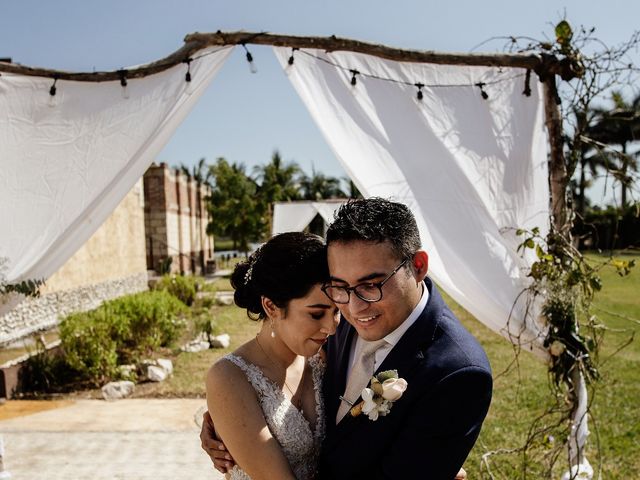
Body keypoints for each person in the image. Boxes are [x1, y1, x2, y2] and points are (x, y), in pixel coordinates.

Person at [203, 198, 491, 479]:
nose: (353, 308)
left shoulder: (458, 373)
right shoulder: (334, 320)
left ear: (417, 266)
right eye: (340, 287)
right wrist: (229, 423)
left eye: (371, 285)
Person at [205, 232, 338, 479]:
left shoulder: (328, 355)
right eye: (317, 314)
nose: (332, 327)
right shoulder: (230, 377)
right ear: (271, 306)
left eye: (337, 310)